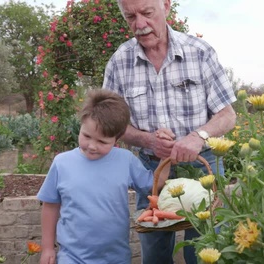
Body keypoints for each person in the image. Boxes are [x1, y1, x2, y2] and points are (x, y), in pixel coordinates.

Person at [102, 0, 237, 263]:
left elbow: (227, 115)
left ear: (166, 5)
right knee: (154, 253)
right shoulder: (120, 61)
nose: (139, 24)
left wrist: (198, 137)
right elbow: (111, 126)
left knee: (203, 250)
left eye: (147, 13)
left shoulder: (199, 52)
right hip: (151, 172)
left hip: (203, 168)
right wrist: (147, 139)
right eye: (130, 17)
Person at [37, 89, 170, 264]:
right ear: (81, 124)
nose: (92, 146)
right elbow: (50, 206)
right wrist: (47, 248)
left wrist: (166, 153)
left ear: (118, 138)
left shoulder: (126, 161)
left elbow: (156, 184)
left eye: (102, 142)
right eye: (86, 136)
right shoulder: (62, 163)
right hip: (72, 257)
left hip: (116, 257)